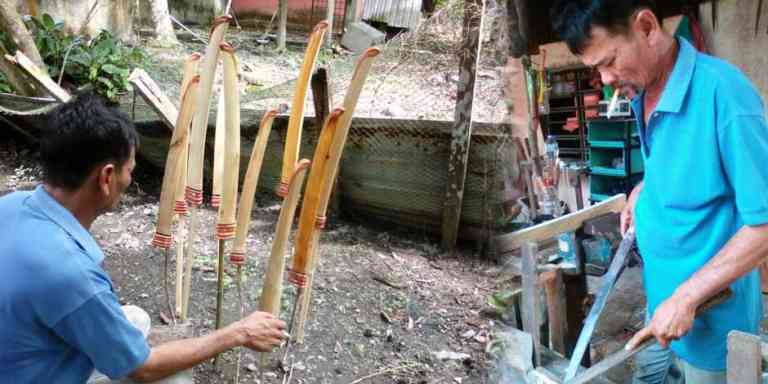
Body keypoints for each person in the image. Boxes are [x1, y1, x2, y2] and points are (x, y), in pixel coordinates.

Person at [551, 1, 768, 383]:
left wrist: (686, 297)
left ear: (647, 26)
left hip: (712, 323)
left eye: (609, 60)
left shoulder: (725, 95)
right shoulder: (644, 92)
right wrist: (643, 190)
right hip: (660, 304)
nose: (604, 79)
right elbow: (684, 165)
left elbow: (763, 223)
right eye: (595, 69)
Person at [0, 94, 287, 383]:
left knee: (135, 318)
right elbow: (144, 368)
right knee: (174, 378)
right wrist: (239, 333)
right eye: (130, 171)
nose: (130, 180)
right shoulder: (70, 274)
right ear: (106, 177)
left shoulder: (11, 205)